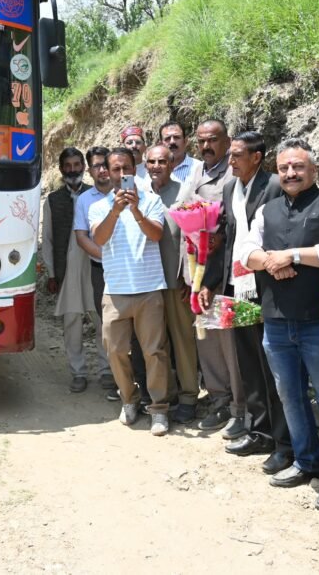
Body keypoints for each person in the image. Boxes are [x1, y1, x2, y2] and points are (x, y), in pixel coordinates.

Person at [236, 138, 319, 506]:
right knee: (290, 396)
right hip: (275, 321)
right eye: (284, 167)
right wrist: (273, 262)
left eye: (298, 167)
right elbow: (246, 252)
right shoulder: (267, 210)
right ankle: (306, 462)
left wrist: (290, 256)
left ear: (314, 170)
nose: (291, 173)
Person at [200, 130, 293, 475]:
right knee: (247, 361)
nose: (231, 161)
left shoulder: (273, 186)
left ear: (257, 157)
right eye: (230, 155)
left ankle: (282, 438)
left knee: (270, 365)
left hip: (265, 286)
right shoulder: (229, 188)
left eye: (237, 155)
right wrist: (211, 282)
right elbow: (226, 239)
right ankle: (258, 430)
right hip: (236, 286)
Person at [89, 147, 171, 436]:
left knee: (154, 352)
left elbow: (156, 234)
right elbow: (99, 239)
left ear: (135, 169)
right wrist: (116, 210)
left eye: (127, 168)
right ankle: (129, 399)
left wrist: (135, 209)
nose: (122, 174)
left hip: (149, 289)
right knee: (114, 350)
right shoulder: (99, 207)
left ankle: (159, 409)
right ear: (107, 172)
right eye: (116, 169)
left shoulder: (151, 200)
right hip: (115, 291)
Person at [182, 119, 245, 438]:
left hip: (222, 274)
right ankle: (220, 400)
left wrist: (210, 279)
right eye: (202, 141)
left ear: (227, 141)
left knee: (229, 345)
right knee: (207, 343)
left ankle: (239, 408)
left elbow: (231, 231)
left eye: (213, 140)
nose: (206, 146)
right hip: (196, 272)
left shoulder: (233, 176)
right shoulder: (196, 171)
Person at [41, 147, 110, 394]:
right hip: (67, 269)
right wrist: (51, 273)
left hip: (95, 266)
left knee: (101, 318)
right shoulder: (53, 200)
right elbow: (48, 239)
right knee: (72, 322)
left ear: (84, 167)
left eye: (77, 165)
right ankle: (78, 372)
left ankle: (107, 370)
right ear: (61, 169)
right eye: (67, 166)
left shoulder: (96, 195)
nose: (72, 170)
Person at [144, 144, 198, 424]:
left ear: (172, 164)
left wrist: (190, 278)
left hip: (176, 282)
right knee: (157, 344)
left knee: (183, 341)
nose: (156, 166)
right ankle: (166, 396)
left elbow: (196, 238)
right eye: (151, 162)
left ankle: (189, 397)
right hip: (147, 284)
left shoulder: (185, 194)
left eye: (162, 162)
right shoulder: (140, 194)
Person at [73, 146, 119, 394]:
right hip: (100, 270)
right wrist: (108, 257)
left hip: (131, 270)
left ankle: (131, 377)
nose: (101, 170)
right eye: (96, 166)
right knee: (107, 322)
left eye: (104, 165)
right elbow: (82, 237)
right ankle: (110, 372)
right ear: (89, 171)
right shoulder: (84, 200)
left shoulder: (126, 193)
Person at [159, 121, 202, 188]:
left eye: (176, 137)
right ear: (161, 144)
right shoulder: (154, 170)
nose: (172, 142)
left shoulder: (199, 168)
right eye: (167, 138)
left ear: (185, 141)